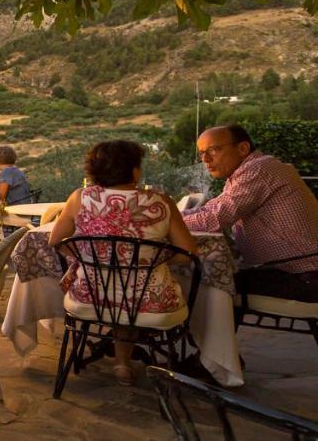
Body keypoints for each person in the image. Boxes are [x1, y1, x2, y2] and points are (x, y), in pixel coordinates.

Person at [49, 139, 198, 386]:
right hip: (153, 304)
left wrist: (89, 257)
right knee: (131, 296)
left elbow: (56, 240)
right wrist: (148, 261)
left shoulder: (79, 198)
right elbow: (188, 253)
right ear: (135, 170)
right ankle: (125, 364)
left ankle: (120, 363)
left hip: (89, 298)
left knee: (118, 295)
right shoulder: (161, 202)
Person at [182, 124, 318, 302]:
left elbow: (215, 217)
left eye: (214, 150)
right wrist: (173, 216)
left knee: (204, 282)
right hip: (291, 271)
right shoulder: (242, 174)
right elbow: (212, 208)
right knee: (209, 277)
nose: (205, 159)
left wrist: (164, 219)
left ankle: (210, 330)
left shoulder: (258, 170)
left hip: (305, 277)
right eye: (202, 153)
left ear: (243, 148)